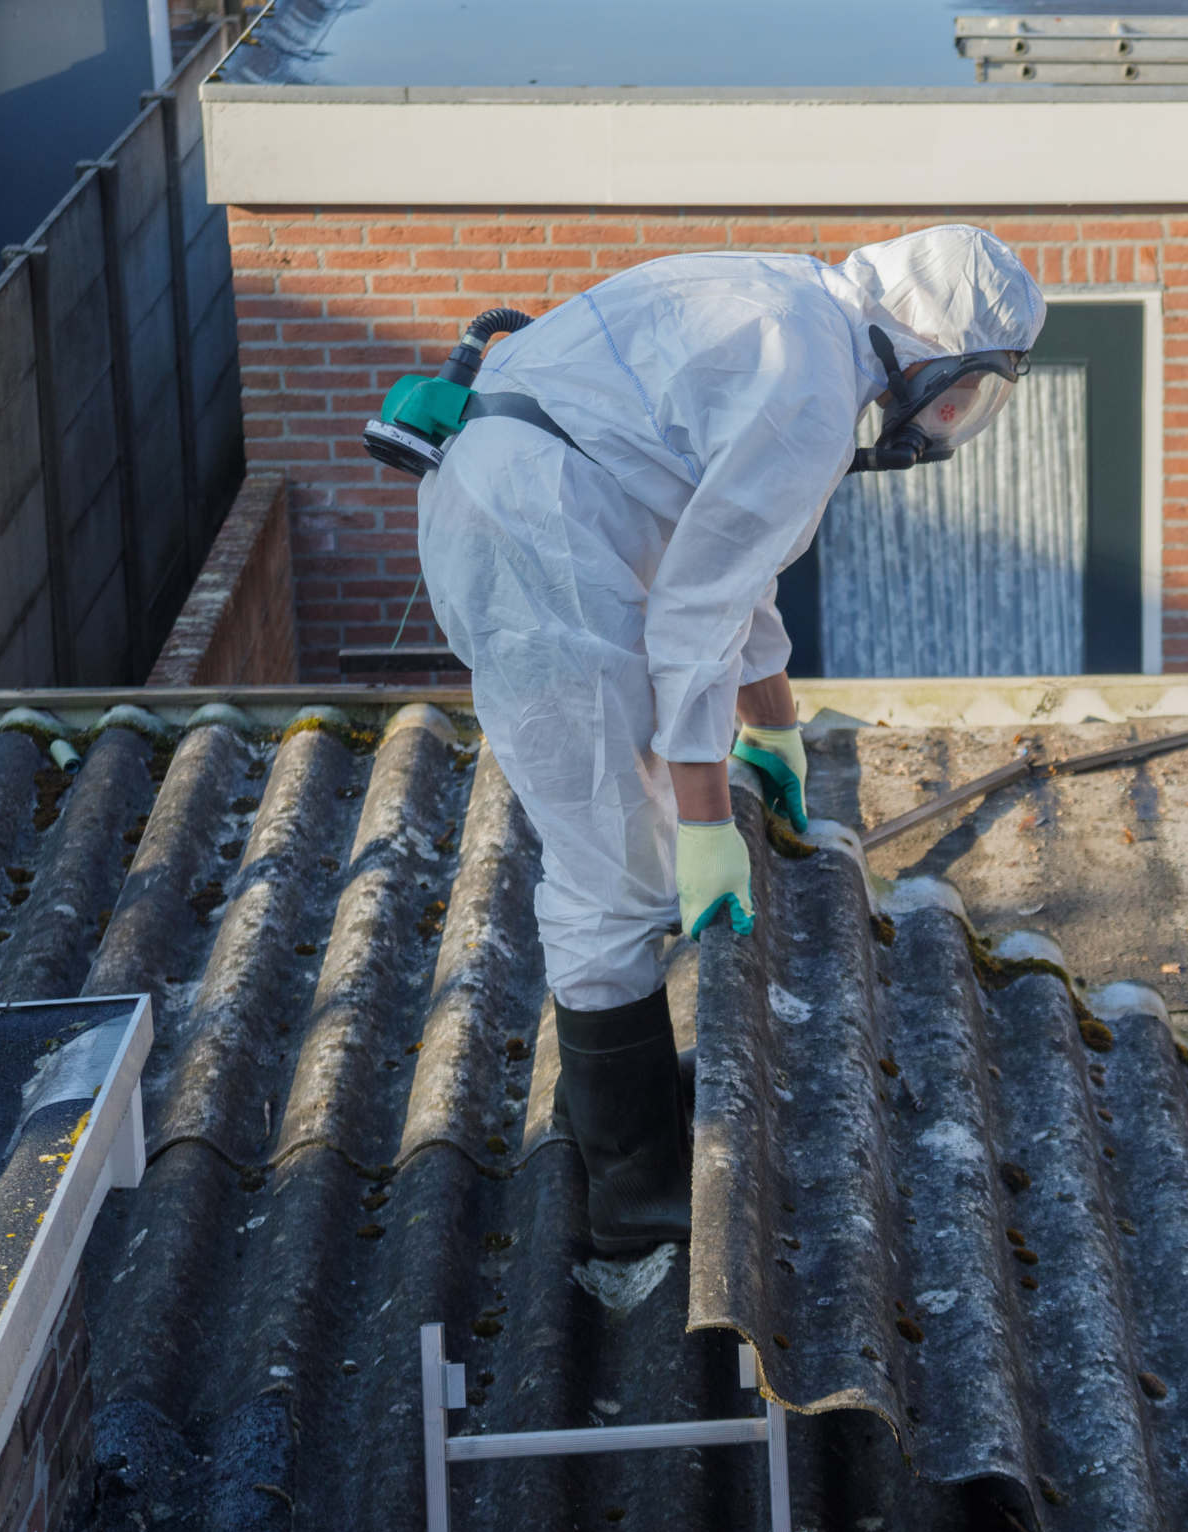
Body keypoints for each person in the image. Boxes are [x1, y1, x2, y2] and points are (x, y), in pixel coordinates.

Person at [415, 226, 1046, 1254]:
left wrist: (775, 732)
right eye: (960, 391)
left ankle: (627, 1104)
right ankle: (632, 1194)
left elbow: (730, 562)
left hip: (543, 506)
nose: (945, 420)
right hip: (533, 543)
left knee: (632, 848)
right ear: (923, 344)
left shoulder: (804, 313)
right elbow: (695, 616)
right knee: (617, 872)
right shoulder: (809, 393)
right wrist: (709, 823)